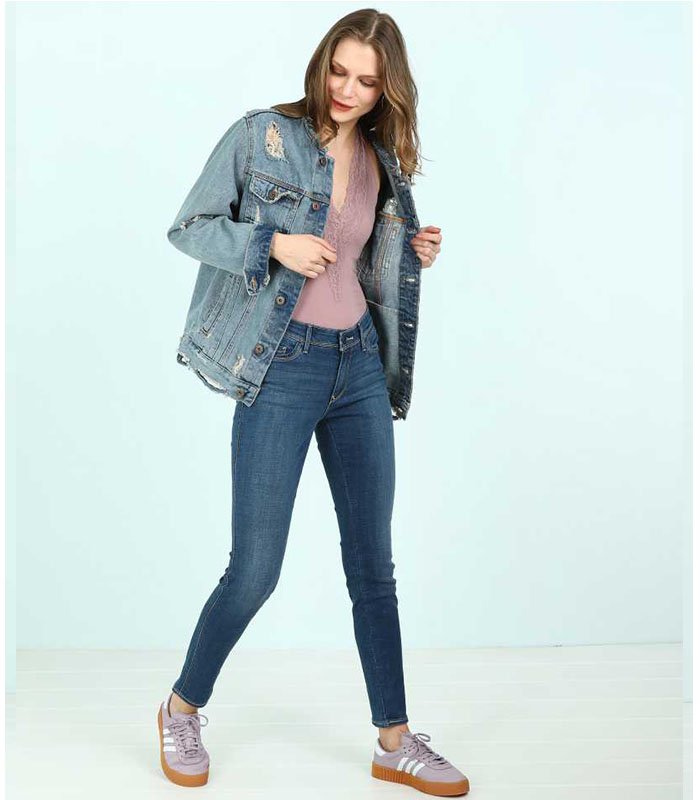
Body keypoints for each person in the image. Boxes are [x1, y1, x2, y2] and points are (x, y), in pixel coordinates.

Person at [158, 8, 468, 797]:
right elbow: (189, 227)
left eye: (366, 81)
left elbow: (356, 264)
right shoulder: (261, 136)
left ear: (386, 89)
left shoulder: (381, 158)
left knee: (373, 566)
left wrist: (408, 251)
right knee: (255, 570)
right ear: (322, 61)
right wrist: (272, 244)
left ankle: (394, 740)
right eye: (339, 70)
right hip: (282, 367)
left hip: (357, 366)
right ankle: (182, 707)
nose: (347, 90)